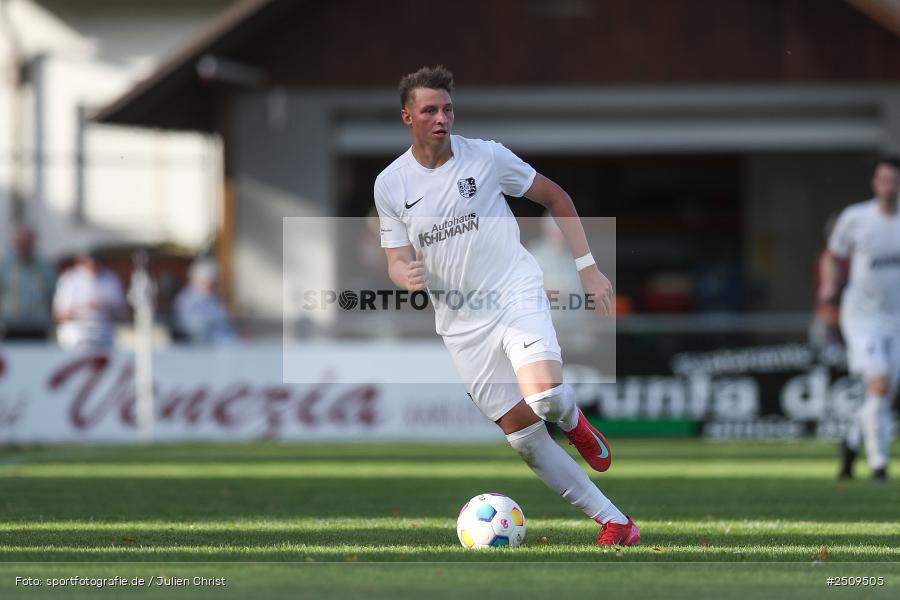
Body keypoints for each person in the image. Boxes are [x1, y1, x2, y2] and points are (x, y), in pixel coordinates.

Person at [373, 66, 638, 546]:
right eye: (429, 110)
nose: (441, 118)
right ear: (407, 116)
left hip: (514, 292)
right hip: (459, 323)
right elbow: (394, 258)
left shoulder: (487, 157)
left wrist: (588, 267)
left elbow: (555, 197)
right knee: (525, 439)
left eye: (447, 109)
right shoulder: (390, 184)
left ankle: (574, 420)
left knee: (545, 399)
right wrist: (403, 274)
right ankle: (617, 523)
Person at [820, 156, 900, 481]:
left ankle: (851, 446)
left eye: (894, 180)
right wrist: (828, 286)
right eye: (884, 179)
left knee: (883, 393)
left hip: (896, 320)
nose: (889, 185)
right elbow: (832, 255)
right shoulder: (856, 218)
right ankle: (879, 465)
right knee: (879, 385)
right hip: (862, 318)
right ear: (875, 183)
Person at [53, 250, 127, 352]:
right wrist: (84, 310)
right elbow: (58, 314)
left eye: (97, 263)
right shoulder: (69, 280)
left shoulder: (111, 279)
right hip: (76, 337)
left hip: (104, 336)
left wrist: (104, 307)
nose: (94, 267)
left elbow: (122, 312)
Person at [0, 225, 56, 340]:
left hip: (38, 326)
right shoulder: (5, 266)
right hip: (11, 325)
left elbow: (52, 293)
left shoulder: (44, 266)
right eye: (21, 242)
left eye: (27, 242)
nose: (24, 245)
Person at [173, 258, 239, 345]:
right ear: (194, 280)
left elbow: (225, 325)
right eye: (205, 280)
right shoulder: (187, 302)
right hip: (205, 350)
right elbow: (197, 332)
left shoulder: (213, 299)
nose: (210, 284)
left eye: (213, 281)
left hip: (227, 346)